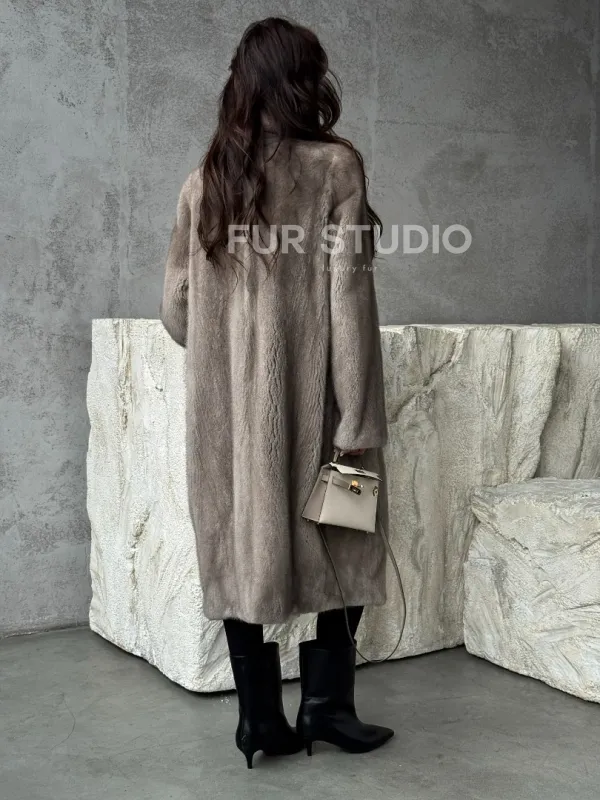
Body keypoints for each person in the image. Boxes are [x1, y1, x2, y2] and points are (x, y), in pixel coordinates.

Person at [160, 16, 392, 769]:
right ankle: (327, 708)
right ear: (304, 80)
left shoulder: (206, 179)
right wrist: (356, 421)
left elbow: (177, 308)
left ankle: (259, 721)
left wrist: (230, 357)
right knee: (346, 542)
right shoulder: (334, 169)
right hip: (323, 410)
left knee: (238, 545)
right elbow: (348, 304)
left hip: (226, 419)